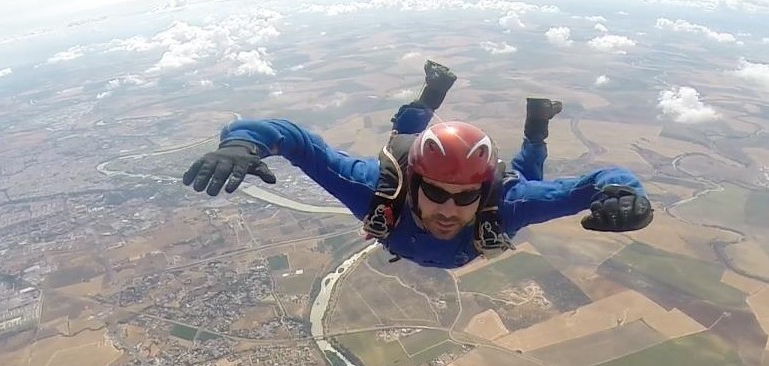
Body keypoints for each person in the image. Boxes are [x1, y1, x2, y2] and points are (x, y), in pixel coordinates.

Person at [182, 60, 654, 269]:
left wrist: (625, 193)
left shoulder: (508, 204)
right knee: (403, 138)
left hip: (502, 189)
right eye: (437, 193)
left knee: (530, 175)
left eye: (467, 197)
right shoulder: (375, 188)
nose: (450, 209)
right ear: (413, 182)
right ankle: (432, 94)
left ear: (483, 193)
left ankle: (537, 123)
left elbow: (595, 183)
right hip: (411, 163)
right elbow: (301, 142)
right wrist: (244, 142)